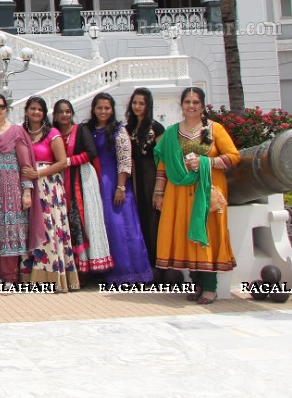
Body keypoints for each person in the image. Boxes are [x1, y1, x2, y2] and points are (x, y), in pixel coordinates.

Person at [153, 86, 240, 305]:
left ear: (202, 106)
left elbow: (233, 157)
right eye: (187, 102)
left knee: (207, 235)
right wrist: (159, 192)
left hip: (208, 190)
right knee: (186, 235)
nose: (191, 106)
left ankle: (210, 287)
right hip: (179, 192)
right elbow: (163, 163)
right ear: (181, 105)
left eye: (195, 102)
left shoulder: (214, 129)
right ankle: (197, 283)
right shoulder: (172, 132)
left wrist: (207, 162)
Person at [0, 92, 45, 285]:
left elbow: (25, 165)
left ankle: (10, 278)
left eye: (1, 106)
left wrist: (27, 192)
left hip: (11, 192)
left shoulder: (16, 132)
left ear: (6, 109)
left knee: (9, 234)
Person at [83, 93, 153, 285]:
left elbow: (124, 161)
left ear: (112, 109)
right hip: (94, 183)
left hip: (115, 183)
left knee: (121, 227)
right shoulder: (88, 129)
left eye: (107, 108)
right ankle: (102, 272)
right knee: (101, 227)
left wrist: (121, 187)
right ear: (94, 109)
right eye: (99, 108)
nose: (103, 111)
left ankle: (129, 273)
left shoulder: (119, 131)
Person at [17, 96, 79, 292]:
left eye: (40, 109)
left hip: (48, 188)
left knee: (49, 231)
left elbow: (62, 162)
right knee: (27, 230)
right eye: (32, 109)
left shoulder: (52, 133)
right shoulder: (21, 133)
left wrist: (38, 173)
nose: (36, 112)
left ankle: (52, 278)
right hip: (25, 187)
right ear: (26, 111)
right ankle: (29, 278)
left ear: (44, 113)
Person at [56, 98, 113, 277]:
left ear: (72, 113)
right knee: (66, 221)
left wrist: (69, 161)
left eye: (68, 111)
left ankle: (87, 269)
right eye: (61, 112)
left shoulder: (80, 130)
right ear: (55, 116)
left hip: (82, 179)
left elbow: (91, 153)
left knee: (85, 219)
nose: (65, 115)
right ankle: (72, 268)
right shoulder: (53, 133)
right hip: (61, 180)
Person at [125, 87, 167, 273]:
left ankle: (158, 263)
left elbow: (163, 157)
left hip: (151, 174)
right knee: (137, 217)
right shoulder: (127, 128)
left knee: (153, 218)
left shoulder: (156, 128)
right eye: (135, 103)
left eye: (141, 103)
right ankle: (142, 263)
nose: (137, 106)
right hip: (134, 176)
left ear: (148, 105)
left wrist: (160, 187)